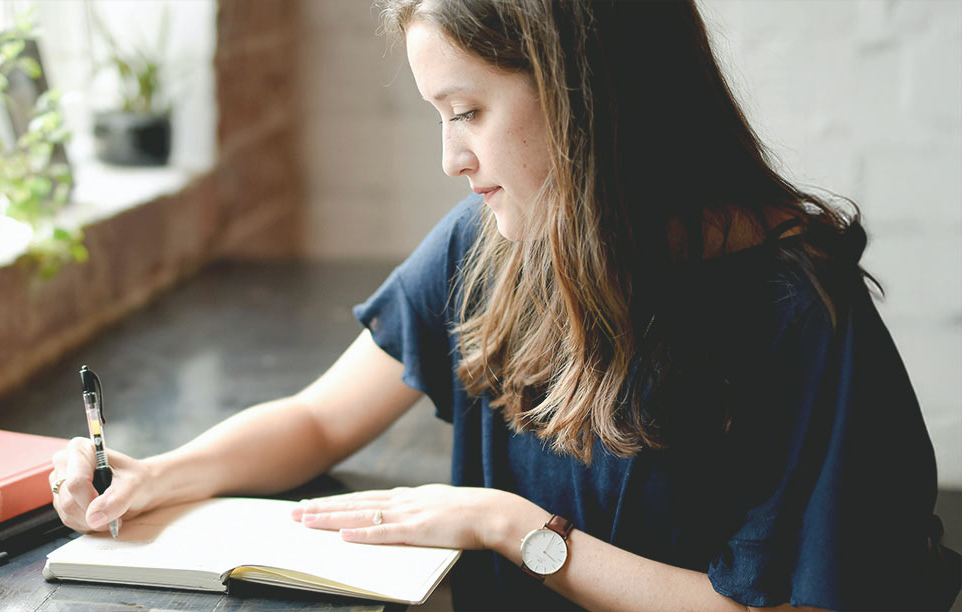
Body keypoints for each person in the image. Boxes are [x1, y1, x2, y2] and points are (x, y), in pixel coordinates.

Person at [51, 1, 958, 609]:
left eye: (467, 111)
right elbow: (321, 418)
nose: (450, 158)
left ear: (584, 97)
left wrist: (513, 527)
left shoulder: (799, 317)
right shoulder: (490, 245)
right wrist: (160, 475)